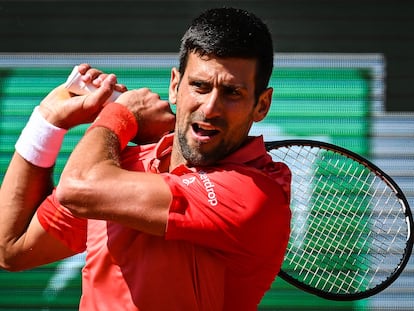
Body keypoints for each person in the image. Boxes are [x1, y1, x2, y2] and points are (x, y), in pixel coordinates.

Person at [0, 7, 291, 311]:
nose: (210, 108)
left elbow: (77, 188)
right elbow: (12, 248)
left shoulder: (255, 194)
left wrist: (121, 114)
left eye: (232, 92)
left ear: (262, 104)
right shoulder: (123, 165)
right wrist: (46, 122)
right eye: (199, 86)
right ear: (175, 86)